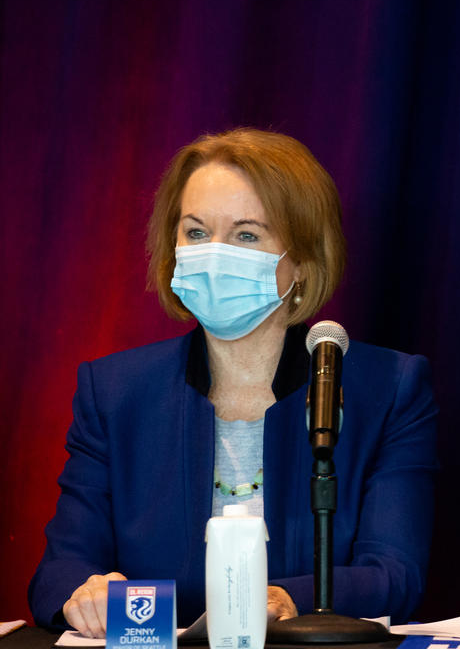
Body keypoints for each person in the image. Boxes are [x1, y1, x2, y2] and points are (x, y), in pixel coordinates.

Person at [28, 128, 438, 636]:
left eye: (246, 235)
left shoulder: (388, 390)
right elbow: (57, 573)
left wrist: (289, 598)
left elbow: (395, 576)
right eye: (196, 233)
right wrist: (83, 593)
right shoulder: (114, 392)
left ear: (305, 263)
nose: (213, 255)